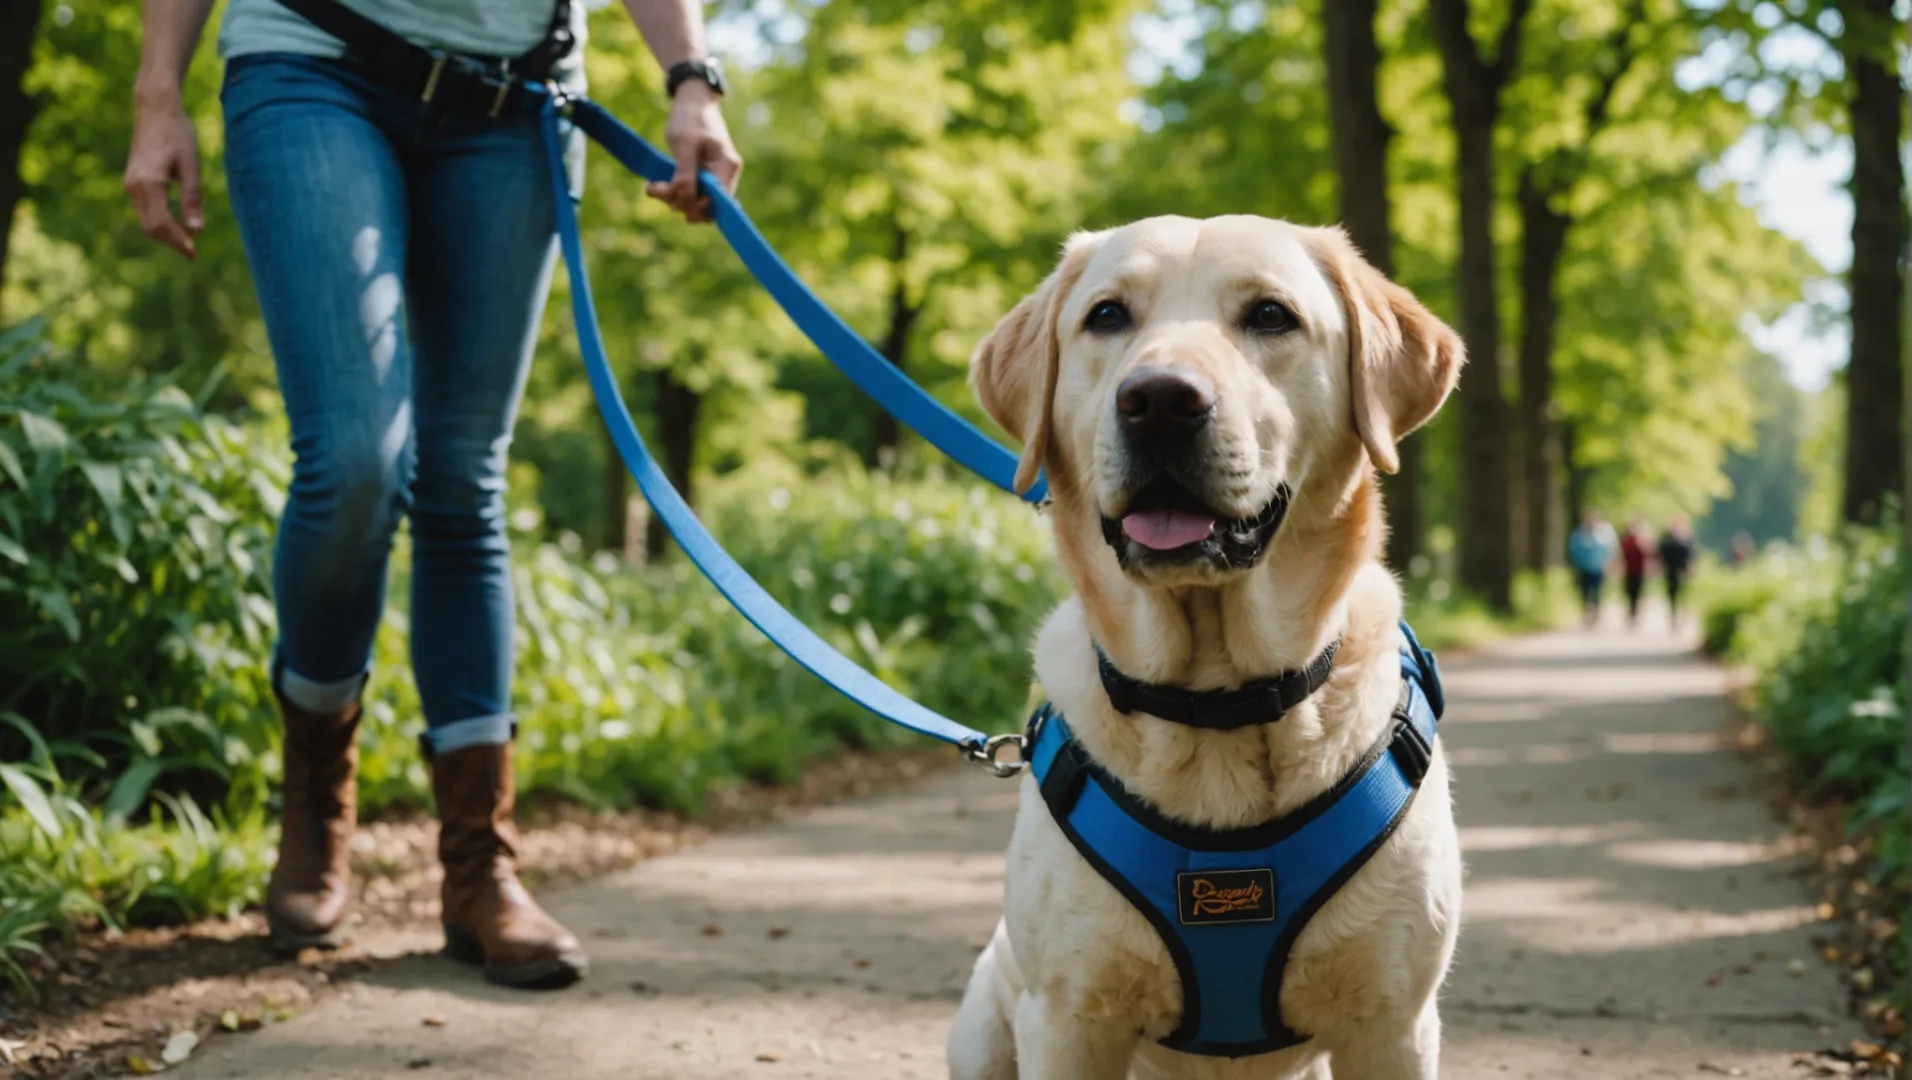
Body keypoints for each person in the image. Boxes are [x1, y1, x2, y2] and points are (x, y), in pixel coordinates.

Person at [126, 0, 742, 989]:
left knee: (463, 478)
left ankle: (478, 868)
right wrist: (158, 94)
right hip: (311, 59)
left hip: (514, 97)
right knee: (356, 461)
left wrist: (692, 77)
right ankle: (317, 800)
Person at [1567, 509, 1616, 627]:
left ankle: (1596, 614)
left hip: (1598, 568)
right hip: (1583, 568)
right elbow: (1573, 550)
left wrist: (1608, 563)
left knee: (1597, 592)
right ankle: (1586, 612)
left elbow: (1609, 550)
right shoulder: (1579, 534)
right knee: (1584, 592)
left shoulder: (1604, 534)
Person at [1658, 514, 1697, 626]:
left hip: (1683, 573)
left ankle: (1682, 615)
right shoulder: (1667, 542)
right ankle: (1674, 615)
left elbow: (1692, 556)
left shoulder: (1687, 541)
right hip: (1671, 572)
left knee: (1683, 595)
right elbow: (1661, 554)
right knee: (1672, 595)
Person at [1618, 517, 1653, 627]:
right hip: (1628, 571)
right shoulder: (1625, 542)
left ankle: (1635, 613)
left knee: (1638, 594)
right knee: (1629, 593)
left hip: (1639, 572)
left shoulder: (1641, 541)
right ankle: (1631, 613)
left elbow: (1648, 555)